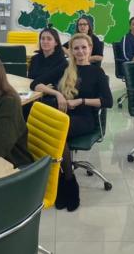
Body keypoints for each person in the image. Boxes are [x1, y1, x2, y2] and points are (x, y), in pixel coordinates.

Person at [38, 33, 112, 212]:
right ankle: (64, 179)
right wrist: (57, 94)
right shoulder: (65, 67)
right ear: (71, 50)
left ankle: (68, 181)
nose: (80, 52)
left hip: (85, 118)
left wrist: (81, 101)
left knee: (57, 131)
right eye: (76, 48)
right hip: (63, 115)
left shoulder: (97, 72)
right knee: (49, 128)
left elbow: (108, 101)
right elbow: (36, 83)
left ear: (90, 49)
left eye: (83, 47)